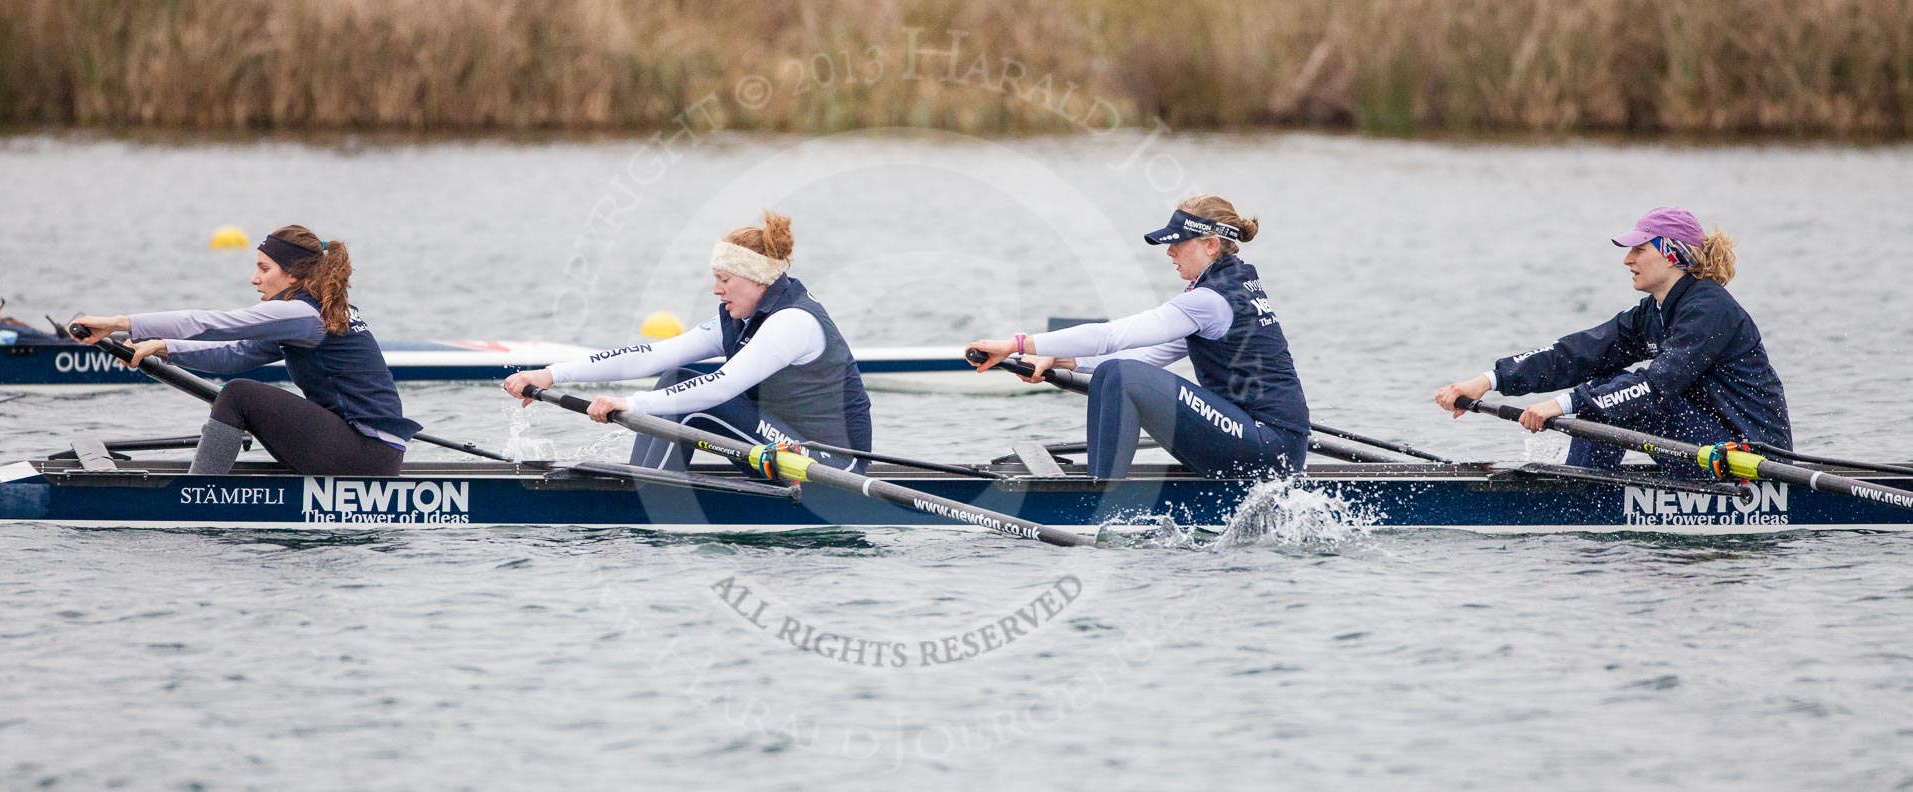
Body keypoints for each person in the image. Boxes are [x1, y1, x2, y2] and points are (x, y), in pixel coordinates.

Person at [965, 194, 1310, 480]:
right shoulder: (1227, 287)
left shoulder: (1210, 300)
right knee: (1115, 373)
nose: (1169, 252)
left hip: (1268, 448)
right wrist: (1062, 359)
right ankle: (1101, 484)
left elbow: (1113, 336)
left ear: (1210, 244)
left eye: (1178, 242)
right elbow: (1148, 356)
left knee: (1121, 376)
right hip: (1265, 442)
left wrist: (1015, 344)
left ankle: (1099, 498)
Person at [1433, 206, 1791, 478]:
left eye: (1638, 249)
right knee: (1603, 393)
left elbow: (1655, 385)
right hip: (1709, 448)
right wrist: (1488, 380)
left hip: (1754, 460)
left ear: (1670, 253)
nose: (1627, 259)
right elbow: (1576, 353)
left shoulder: (1710, 309)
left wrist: (1563, 404)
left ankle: (1579, 497)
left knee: (1608, 397)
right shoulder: (1653, 313)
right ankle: (1581, 489)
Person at [503, 210, 873, 473]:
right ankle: (642, 480)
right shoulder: (737, 318)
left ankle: (648, 503)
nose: (716, 290)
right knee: (674, 376)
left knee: (698, 401)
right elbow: (651, 355)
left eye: (724, 279)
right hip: (784, 447)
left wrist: (632, 402)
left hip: (831, 463)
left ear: (757, 280)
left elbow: (723, 385)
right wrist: (551, 375)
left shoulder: (792, 323)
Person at [71, 225, 419, 476]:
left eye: (264, 268)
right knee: (237, 391)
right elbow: (237, 355)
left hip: (365, 453)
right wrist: (164, 348)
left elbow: (213, 322)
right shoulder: (316, 311)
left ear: (294, 277)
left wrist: (119, 322)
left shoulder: (301, 314)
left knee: (237, 395)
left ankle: (199, 494)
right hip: (371, 451)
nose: (255, 278)